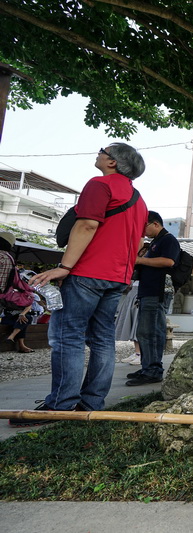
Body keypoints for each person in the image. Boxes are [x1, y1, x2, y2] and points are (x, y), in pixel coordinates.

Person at [9, 143, 148, 427]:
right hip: (117, 277)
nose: (98, 154)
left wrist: (64, 267)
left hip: (87, 272)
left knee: (67, 337)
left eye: (103, 151)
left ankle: (60, 404)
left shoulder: (100, 185)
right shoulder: (139, 199)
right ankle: (92, 403)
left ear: (113, 162)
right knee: (102, 339)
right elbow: (139, 243)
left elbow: (86, 225)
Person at [126, 211, 179, 386]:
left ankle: (154, 370)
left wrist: (140, 260)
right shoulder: (156, 242)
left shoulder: (168, 239)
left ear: (155, 224)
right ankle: (147, 367)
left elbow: (169, 262)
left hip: (158, 291)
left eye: (145, 227)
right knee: (144, 332)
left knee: (152, 332)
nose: (144, 231)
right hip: (148, 291)